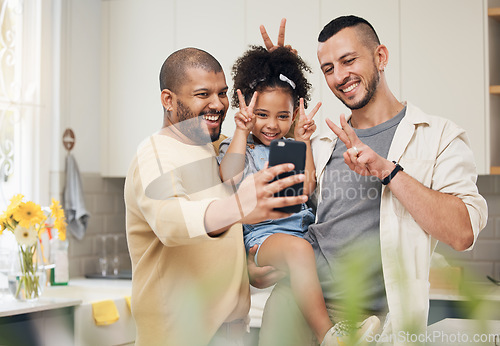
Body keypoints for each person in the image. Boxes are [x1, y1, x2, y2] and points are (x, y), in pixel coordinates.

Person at [255, 16, 488, 346]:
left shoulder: (439, 137)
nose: (339, 76)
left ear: (380, 57)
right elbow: (280, 207)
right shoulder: (321, 143)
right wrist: (280, 84)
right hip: (296, 307)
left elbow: (462, 232)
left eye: (349, 60)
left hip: (379, 324)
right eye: (328, 68)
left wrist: (388, 171)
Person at [124, 47, 308, 346]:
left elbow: (277, 133)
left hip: (232, 334)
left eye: (222, 93)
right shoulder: (155, 154)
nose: (218, 104)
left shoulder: (222, 147)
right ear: (168, 100)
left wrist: (277, 76)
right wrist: (240, 206)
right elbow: (170, 221)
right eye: (202, 94)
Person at [218, 45, 359, 345]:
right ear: (246, 112)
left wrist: (303, 140)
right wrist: (242, 131)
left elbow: (305, 189)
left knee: (307, 253)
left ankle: (338, 327)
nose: (272, 124)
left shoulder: (290, 147)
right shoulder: (237, 146)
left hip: (300, 238)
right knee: (299, 251)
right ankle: (329, 336)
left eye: (283, 116)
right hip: (263, 239)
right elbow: (229, 176)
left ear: (295, 114)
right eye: (261, 115)